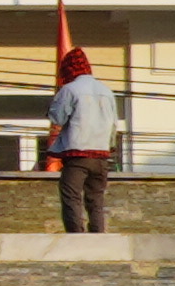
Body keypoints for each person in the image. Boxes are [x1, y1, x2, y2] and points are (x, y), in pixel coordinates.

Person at [48, 38, 124, 235]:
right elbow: (114, 125)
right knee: (96, 198)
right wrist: (109, 147)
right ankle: (97, 234)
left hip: (78, 154)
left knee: (71, 194)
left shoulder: (70, 89)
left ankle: (76, 235)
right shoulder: (106, 91)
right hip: (101, 156)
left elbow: (57, 117)